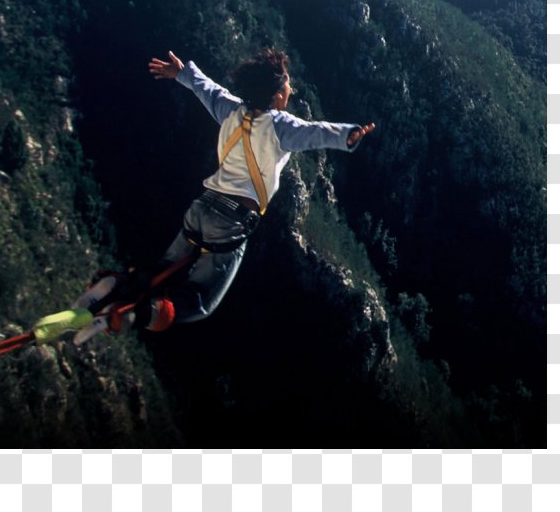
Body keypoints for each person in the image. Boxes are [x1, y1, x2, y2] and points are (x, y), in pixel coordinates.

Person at [73, 49, 374, 344]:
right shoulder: (280, 127)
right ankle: (133, 316)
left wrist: (182, 73)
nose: (291, 89)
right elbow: (314, 132)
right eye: (288, 85)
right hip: (230, 222)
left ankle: (116, 284)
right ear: (277, 93)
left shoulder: (232, 110)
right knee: (200, 301)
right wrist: (346, 135)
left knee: (162, 269)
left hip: (201, 208)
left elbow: (209, 90)